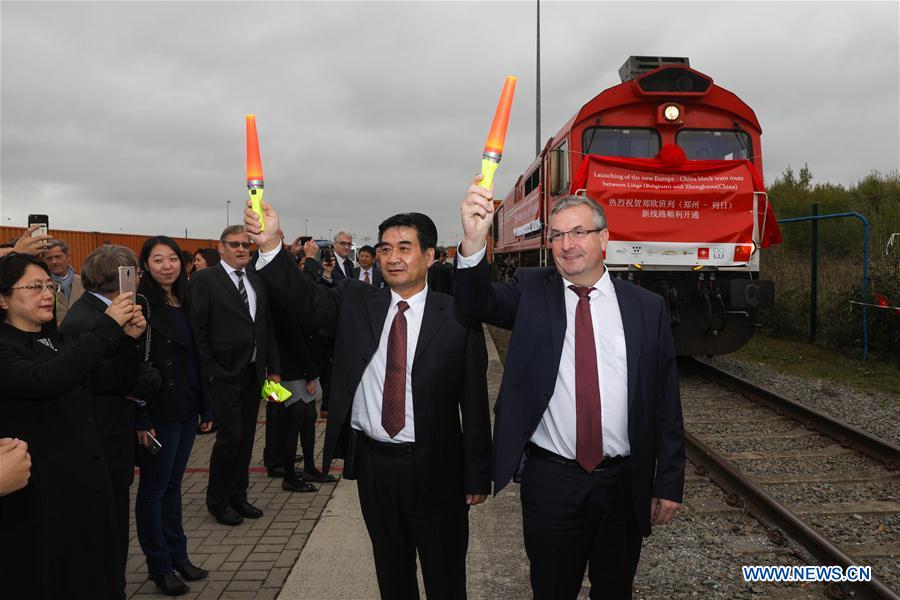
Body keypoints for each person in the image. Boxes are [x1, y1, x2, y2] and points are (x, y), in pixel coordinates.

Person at [245, 201, 491, 600]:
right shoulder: (357, 303)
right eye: (385, 249)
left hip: (437, 469)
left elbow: (475, 404)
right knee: (391, 572)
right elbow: (304, 301)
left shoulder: (458, 316)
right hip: (375, 466)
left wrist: (477, 474)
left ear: (429, 256)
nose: (393, 257)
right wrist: (271, 243)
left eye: (405, 247)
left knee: (445, 576)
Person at [455, 182, 685, 600]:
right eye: (557, 235)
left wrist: (668, 481)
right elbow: (474, 303)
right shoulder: (530, 290)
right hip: (552, 481)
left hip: (623, 483)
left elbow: (665, 402)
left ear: (604, 238)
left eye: (578, 232)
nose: (566, 244)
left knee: (615, 590)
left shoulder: (645, 308)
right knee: (551, 588)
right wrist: (474, 240)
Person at [0, 252, 146, 599]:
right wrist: (108, 326)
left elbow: (115, 380)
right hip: (42, 499)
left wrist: (129, 340)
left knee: (100, 575)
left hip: (87, 486)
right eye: (34, 287)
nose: (47, 293)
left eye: (49, 285)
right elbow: (46, 380)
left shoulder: (56, 340)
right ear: (3, 298)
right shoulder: (5, 348)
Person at [60, 244, 155, 599]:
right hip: (101, 439)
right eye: (135, 274)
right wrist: (144, 378)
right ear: (123, 280)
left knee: (114, 529)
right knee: (106, 532)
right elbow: (111, 379)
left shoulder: (99, 312)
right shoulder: (87, 320)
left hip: (112, 436)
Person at [135, 236, 214, 595]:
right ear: (145, 267)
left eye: (172, 259)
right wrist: (141, 418)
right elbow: (132, 365)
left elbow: (198, 357)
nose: (167, 266)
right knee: (153, 491)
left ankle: (178, 555)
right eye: (157, 260)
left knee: (173, 486)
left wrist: (205, 407)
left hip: (186, 405)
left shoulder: (185, 299)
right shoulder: (140, 305)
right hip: (156, 412)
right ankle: (159, 565)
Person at [190, 225, 281, 527]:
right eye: (235, 245)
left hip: (252, 374)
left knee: (246, 439)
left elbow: (265, 328)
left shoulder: (255, 281)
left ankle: (239, 496)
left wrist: (274, 369)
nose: (242, 249)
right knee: (231, 438)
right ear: (221, 247)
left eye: (247, 245)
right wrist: (210, 371)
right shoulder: (205, 280)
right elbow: (198, 330)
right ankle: (218, 501)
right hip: (224, 374)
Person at [43, 238, 84, 325]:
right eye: (49, 258)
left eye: (58, 257)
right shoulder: (41, 286)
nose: (54, 262)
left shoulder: (84, 283)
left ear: (68, 257)